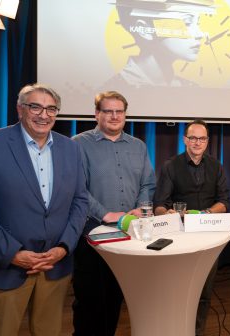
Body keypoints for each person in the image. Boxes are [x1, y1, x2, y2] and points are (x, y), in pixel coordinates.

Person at [0, 84, 88, 335]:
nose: (44, 114)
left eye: (51, 109)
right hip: (4, 267)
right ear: (20, 109)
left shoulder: (71, 148)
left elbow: (80, 201)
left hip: (54, 267)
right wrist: (12, 253)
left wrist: (63, 247)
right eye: (35, 106)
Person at [71, 91, 157, 335]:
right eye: (108, 111)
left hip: (129, 233)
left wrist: (140, 207)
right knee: (89, 301)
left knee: (114, 298)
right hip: (92, 234)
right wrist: (107, 214)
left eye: (119, 111)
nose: (114, 116)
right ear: (97, 114)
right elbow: (76, 188)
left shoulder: (138, 146)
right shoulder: (78, 144)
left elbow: (148, 184)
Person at [153, 119, 229, 335]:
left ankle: (197, 330)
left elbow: (224, 201)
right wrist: (168, 213)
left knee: (204, 289)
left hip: (208, 234)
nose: (197, 142)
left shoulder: (216, 166)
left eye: (202, 138)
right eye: (193, 138)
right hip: (179, 236)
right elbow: (159, 204)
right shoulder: (170, 166)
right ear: (185, 139)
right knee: (178, 289)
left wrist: (207, 214)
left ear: (207, 141)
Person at [113, 0, 215, 87]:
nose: (200, 34)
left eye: (198, 23)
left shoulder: (192, 88)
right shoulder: (114, 89)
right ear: (145, 30)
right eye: (187, 23)